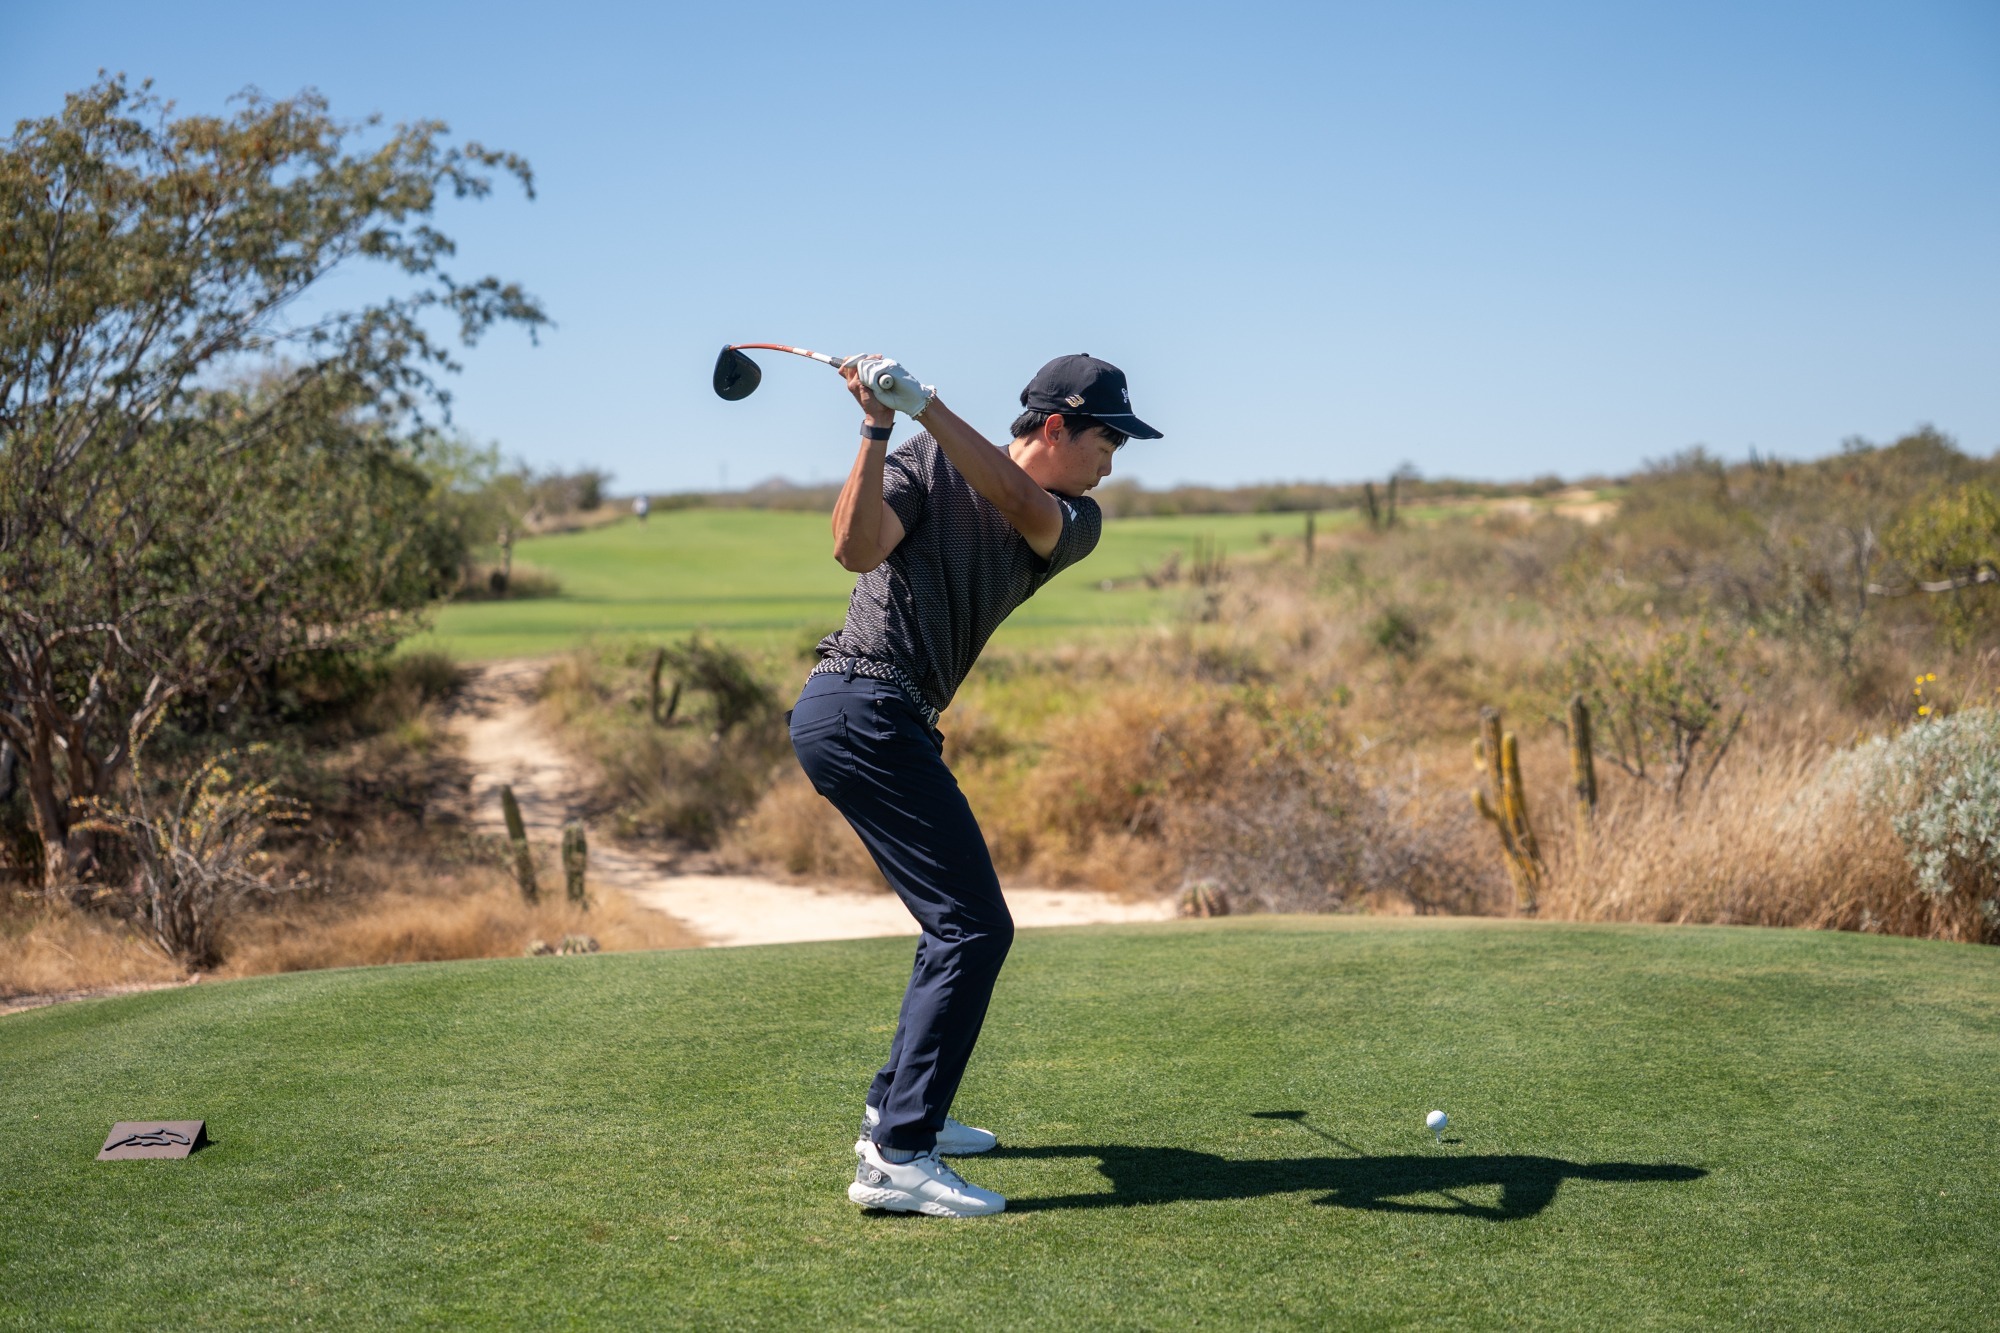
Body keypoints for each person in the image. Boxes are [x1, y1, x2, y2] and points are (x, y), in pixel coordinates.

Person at [788, 352, 1161, 1218]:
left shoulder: (1075, 518)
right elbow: (854, 549)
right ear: (1058, 425)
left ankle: (896, 1110)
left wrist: (924, 406)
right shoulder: (922, 458)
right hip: (858, 706)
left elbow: (1020, 502)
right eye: (1108, 441)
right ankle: (899, 1156)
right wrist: (878, 425)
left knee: (955, 924)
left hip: (881, 717)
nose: (1113, 463)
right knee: (974, 927)